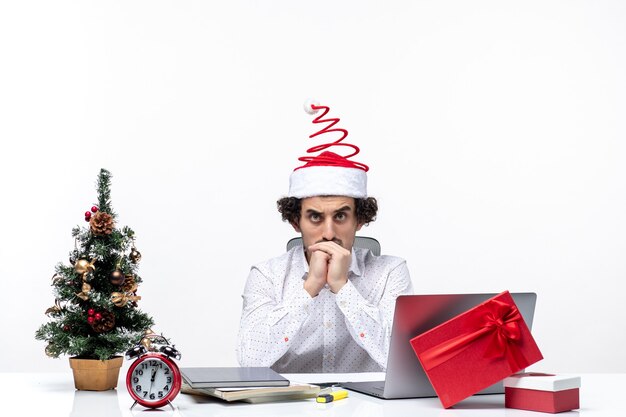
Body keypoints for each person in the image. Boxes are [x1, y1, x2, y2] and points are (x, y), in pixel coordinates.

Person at [236, 102, 413, 373]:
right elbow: (249, 361)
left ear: (360, 220)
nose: (329, 232)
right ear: (296, 222)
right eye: (315, 217)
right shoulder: (267, 275)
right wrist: (310, 287)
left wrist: (343, 287)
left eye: (341, 216)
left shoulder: (390, 273)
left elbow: (403, 363)